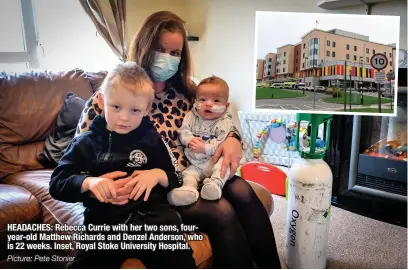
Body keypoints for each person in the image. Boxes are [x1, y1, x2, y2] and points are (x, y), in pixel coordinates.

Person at [75, 11, 281, 269]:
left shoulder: (187, 94)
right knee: (221, 212)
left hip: (201, 167)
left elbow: (221, 117)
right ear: (144, 47)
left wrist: (234, 138)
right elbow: (81, 153)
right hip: (162, 188)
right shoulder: (112, 97)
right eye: (161, 50)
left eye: (175, 53)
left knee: (241, 190)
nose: (168, 59)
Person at [49, 62, 196, 269]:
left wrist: (156, 175)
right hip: (104, 227)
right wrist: (89, 183)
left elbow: (175, 177)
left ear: (147, 109)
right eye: (116, 107)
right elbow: (57, 183)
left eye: (135, 110)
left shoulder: (152, 138)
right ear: (102, 101)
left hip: (154, 222)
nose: (124, 118)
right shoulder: (86, 142)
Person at [168, 75, 234, 206]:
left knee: (224, 167)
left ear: (226, 106)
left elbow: (223, 143)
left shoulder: (225, 122)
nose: (208, 104)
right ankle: (188, 190)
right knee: (188, 174)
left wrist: (205, 148)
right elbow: (183, 131)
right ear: (195, 101)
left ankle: (214, 185)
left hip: (216, 161)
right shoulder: (191, 116)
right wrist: (189, 140)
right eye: (202, 99)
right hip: (195, 163)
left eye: (216, 100)